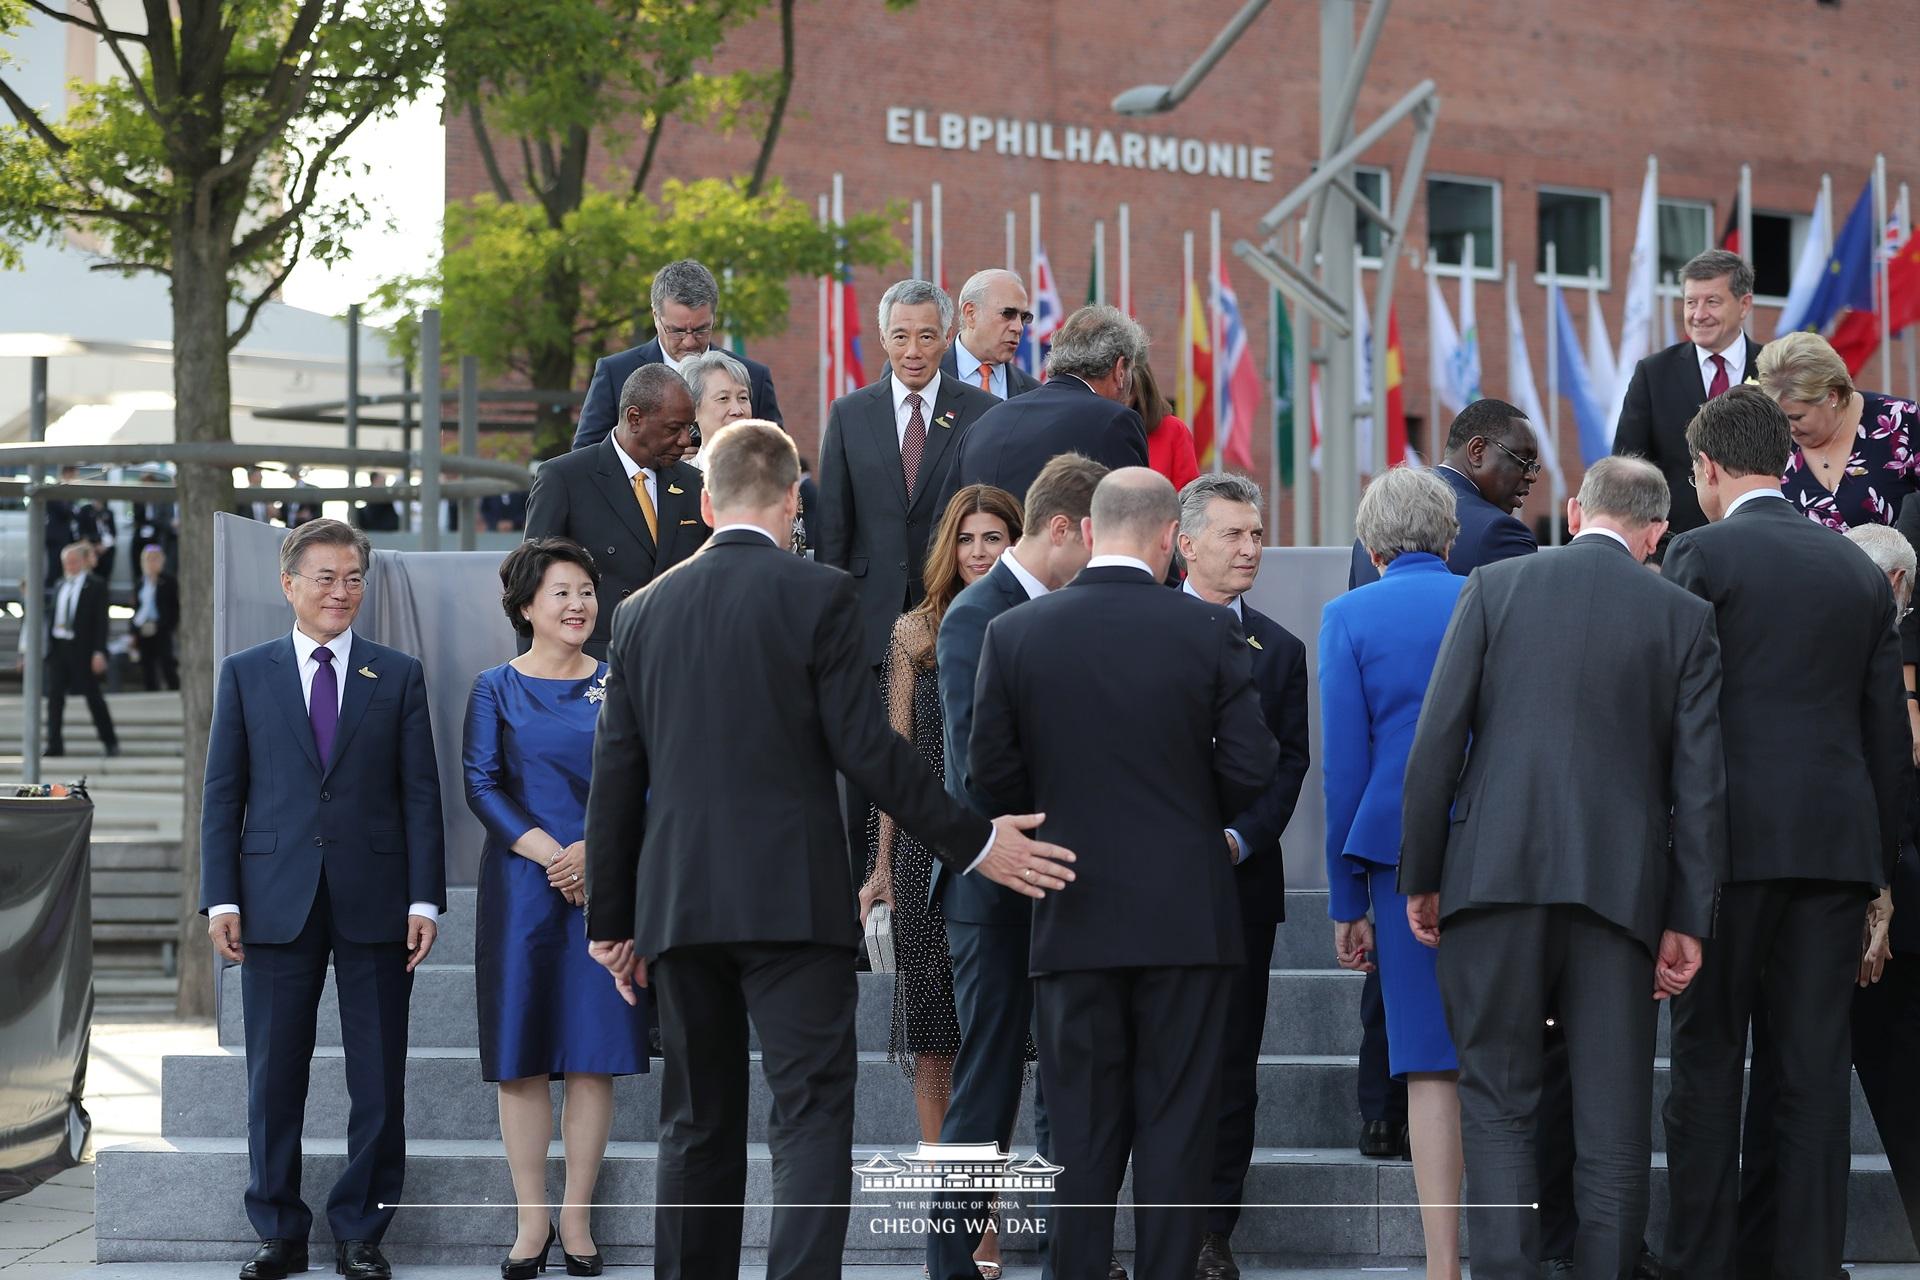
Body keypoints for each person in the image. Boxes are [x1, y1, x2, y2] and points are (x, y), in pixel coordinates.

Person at [582, 419, 1077, 1280]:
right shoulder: (821, 595)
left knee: (694, 1121)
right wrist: (975, 842)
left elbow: (615, 777)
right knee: (808, 1113)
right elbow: (868, 751)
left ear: (704, 502)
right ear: (791, 501)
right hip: (792, 901)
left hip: (678, 903)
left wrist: (612, 920)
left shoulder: (638, 611)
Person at [1399, 455, 1725, 1280]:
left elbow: (1436, 744)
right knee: (1613, 1129)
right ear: (1657, 533)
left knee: (1499, 1108)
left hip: (1490, 877)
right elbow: (1701, 784)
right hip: (1620, 893)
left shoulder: (1495, 588)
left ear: (1576, 511)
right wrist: (1687, 917)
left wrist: (1423, 875)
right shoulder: (1684, 616)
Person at [969, 468, 1279, 1280]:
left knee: (1079, 1132)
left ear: (1095, 529)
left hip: (1070, 909)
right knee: (1179, 1129)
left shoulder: (1018, 634)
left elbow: (989, 780)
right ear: (1163, 537)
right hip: (1186, 917)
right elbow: (1252, 769)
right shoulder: (1208, 632)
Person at [1660, 387, 1909, 1280]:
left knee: (1708, 1061)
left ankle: (1701, 1262)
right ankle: (1803, 1263)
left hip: (1725, 856)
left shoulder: (1699, 554)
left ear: (1713, 469)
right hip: (1835, 858)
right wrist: (1877, 876)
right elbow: (1888, 739)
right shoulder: (1855, 569)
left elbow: (1676, 714)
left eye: (1695, 474)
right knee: (1810, 1074)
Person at [199, 518, 446, 1280]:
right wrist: (220, 899)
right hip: (273, 899)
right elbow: (222, 795)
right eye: (325, 578)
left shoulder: (396, 673)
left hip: (376, 899)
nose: (341, 592)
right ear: (289, 585)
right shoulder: (246, 671)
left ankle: (361, 1232)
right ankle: (278, 1229)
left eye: (352, 578)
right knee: (274, 1075)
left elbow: (420, 796)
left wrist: (425, 901)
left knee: (377, 1074)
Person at [1344, 398, 1538, 1178]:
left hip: (1387, 809)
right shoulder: (1501, 536)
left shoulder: (1378, 532)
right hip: (1473, 798)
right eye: (1522, 462)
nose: (1528, 481)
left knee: (1395, 963)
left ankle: (1380, 1112)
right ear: (1480, 448)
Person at [926, 453, 1106, 1280]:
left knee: (1073, 1077)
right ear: (1064, 527)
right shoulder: (976, 613)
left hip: (1066, 880)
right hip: (994, 888)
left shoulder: (1074, 606)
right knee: (988, 1081)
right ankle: (949, 1260)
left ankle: (1078, 1256)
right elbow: (973, 768)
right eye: (1099, 539)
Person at [1735, 521, 1920, 1270]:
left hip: (1788, 884)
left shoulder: (1789, 642)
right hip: (1871, 897)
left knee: (1783, 1077)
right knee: (1879, 1092)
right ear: (1898, 587)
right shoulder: (1878, 637)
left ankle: (1762, 1249)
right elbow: (1889, 769)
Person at [464, 537, 646, 1280]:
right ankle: (530, 1218)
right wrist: (553, 855)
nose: (579, 606)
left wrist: (593, 856)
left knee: (594, 1057)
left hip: (604, 889)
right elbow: (481, 784)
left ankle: (577, 1216)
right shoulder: (494, 687)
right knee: (524, 1060)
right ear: (526, 606)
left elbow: (645, 779)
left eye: (586, 591)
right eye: (562, 593)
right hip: (520, 891)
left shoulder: (619, 682)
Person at [856, 483, 1022, 1279]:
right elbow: (893, 759)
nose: (981, 552)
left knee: (996, 1049)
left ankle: (986, 1226)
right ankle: (962, 1233)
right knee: (934, 1049)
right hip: (926, 856)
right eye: (968, 539)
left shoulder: (1029, 621)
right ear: (946, 547)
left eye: (995, 538)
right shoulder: (914, 631)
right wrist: (882, 867)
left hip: (1006, 852)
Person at [1318, 465, 1468, 1280]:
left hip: (1395, 861)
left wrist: (1346, 899)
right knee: (1504, 1057)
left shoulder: (1347, 616)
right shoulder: (1490, 597)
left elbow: (1346, 767)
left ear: (1371, 546)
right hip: (1498, 850)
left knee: (1430, 1064)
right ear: (1451, 536)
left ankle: (1442, 1266)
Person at [1181, 473, 1310, 1280]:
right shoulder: (1141, 626)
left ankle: (1210, 1232)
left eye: (1257, 534)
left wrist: (1237, 838)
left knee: (1232, 1066)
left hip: (1238, 885)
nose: (1250, 548)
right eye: (1233, 534)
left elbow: (1289, 765)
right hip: (1148, 888)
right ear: (1186, 542)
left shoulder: (1281, 649)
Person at [817, 279, 1000, 666]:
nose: (913, 351)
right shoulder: (848, 415)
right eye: (900, 336)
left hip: (949, 606)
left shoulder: (981, 412)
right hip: (867, 616)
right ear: (883, 337)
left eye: (927, 336)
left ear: (948, 337)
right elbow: (833, 529)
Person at [523, 363, 709, 658]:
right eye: (674, 428)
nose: (686, 440)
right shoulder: (566, 479)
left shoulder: (694, 485)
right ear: (635, 418)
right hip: (594, 667)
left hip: (679, 663)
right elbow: (531, 585)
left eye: (690, 427)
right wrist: (533, 677)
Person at [937, 304, 1151, 519]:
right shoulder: (1115, 422)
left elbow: (945, 523)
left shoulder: (984, 423)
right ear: (1120, 370)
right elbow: (1132, 523)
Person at [1612, 248, 1763, 534]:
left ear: (1744, 305)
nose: (1698, 315)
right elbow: (1628, 466)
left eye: (1712, 302)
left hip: (1760, 539)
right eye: (1690, 302)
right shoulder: (1653, 374)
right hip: (1676, 545)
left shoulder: (1773, 371)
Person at [572, 258, 782, 450]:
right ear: (656, 317)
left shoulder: (753, 377)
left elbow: (777, 459)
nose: (689, 341)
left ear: (714, 317)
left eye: (701, 329)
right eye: (677, 331)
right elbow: (586, 456)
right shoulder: (616, 373)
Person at [1348, 398, 1538, 589]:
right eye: (1523, 460)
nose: (1531, 476)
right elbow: (1527, 616)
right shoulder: (1500, 532)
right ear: (1477, 450)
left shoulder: (1373, 527)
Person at [1757, 329, 1920, 529]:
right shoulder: (1768, 440)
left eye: (1796, 417)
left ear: (1831, 396)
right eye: (1779, 417)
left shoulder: (1902, 420)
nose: (1787, 428)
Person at [45, 541, 118, 757]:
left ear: (83, 561)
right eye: (66, 562)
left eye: (74, 561)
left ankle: (109, 740)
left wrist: (99, 651)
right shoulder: (59, 585)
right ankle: (54, 744)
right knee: (55, 699)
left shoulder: (96, 585)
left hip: (83, 650)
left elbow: (101, 622)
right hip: (59, 648)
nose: (70, 566)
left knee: (93, 697)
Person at [946, 268, 1042, 400]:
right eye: (1007, 314)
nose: (1018, 328)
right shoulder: (926, 374)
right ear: (971, 314)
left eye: (1024, 317)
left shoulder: (1033, 393)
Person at [1130, 359, 1200, 492]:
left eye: (1129, 389)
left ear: (1142, 391)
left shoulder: (1174, 429)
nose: (1120, 396)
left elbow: (1187, 493)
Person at [129, 544, 179, 692]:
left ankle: (173, 689)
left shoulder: (168, 581)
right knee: (146, 663)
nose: (152, 563)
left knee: (166, 661)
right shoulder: (140, 582)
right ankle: (151, 691)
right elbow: (137, 607)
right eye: (149, 560)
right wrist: (133, 631)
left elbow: (173, 607)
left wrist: (166, 625)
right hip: (142, 626)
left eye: (155, 559)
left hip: (161, 627)